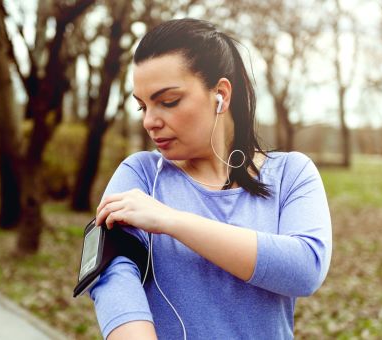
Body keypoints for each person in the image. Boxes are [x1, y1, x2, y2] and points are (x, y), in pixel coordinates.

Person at [89, 18, 332, 339]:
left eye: (168, 101)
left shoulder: (291, 174)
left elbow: (305, 269)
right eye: (142, 106)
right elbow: (112, 274)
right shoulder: (140, 175)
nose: (149, 121)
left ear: (220, 94)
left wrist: (171, 221)